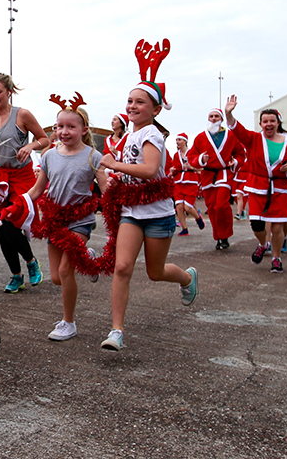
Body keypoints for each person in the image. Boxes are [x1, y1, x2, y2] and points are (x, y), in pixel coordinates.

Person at [97, 42, 196, 351]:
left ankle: (187, 279)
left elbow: (151, 170)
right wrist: (114, 177)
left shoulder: (152, 133)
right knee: (122, 267)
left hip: (158, 214)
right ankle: (116, 331)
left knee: (155, 272)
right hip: (131, 212)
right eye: (129, 101)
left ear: (155, 109)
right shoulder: (129, 136)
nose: (132, 106)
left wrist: (115, 163)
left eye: (140, 102)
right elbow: (130, 172)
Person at [3, 97, 107, 341]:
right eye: (60, 126)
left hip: (80, 219)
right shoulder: (49, 156)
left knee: (65, 270)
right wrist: (19, 203)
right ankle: (88, 259)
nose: (64, 131)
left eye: (71, 127)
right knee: (57, 278)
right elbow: (38, 189)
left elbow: (106, 188)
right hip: (54, 220)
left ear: (84, 130)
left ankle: (68, 322)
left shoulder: (94, 156)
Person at [0, 73, 50, 293]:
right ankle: (16, 275)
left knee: (9, 222)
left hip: (21, 178)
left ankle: (32, 262)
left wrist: (30, 147)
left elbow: (45, 139)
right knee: (1, 227)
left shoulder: (21, 115)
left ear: (9, 92)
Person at [221, 98, 287, 273]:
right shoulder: (254, 139)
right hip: (258, 187)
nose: (269, 124)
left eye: (272, 121)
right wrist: (228, 113)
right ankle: (262, 244)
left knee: (277, 227)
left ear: (278, 122)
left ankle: (276, 258)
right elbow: (238, 130)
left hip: (280, 189)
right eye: (265, 121)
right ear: (260, 123)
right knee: (257, 224)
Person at [188, 108, 244, 250]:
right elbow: (192, 156)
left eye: (216, 116)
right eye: (211, 116)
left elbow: (240, 153)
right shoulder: (201, 137)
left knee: (221, 205)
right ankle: (218, 237)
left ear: (221, 119)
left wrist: (235, 162)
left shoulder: (230, 135)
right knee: (212, 207)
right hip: (207, 175)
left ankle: (225, 235)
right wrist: (201, 159)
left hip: (223, 174)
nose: (213, 118)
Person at [170, 133, 204, 235]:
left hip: (191, 181)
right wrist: (172, 170)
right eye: (176, 140)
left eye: (180, 140)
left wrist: (192, 167)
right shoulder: (176, 155)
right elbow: (175, 167)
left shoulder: (193, 153)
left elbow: (201, 168)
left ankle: (198, 217)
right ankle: (184, 229)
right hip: (179, 182)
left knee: (188, 207)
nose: (177, 142)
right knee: (179, 207)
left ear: (185, 141)